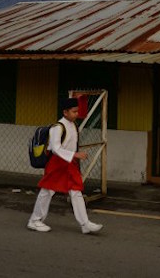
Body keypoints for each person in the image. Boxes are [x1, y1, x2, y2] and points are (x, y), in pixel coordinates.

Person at [27, 97, 103, 234]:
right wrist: (75, 155)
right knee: (48, 191)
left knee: (76, 191)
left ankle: (85, 224)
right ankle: (34, 220)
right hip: (56, 163)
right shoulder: (58, 127)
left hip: (68, 163)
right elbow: (55, 148)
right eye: (74, 111)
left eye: (77, 111)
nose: (76, 114)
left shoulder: (72, 125)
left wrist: (73, 156)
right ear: (65, 112)